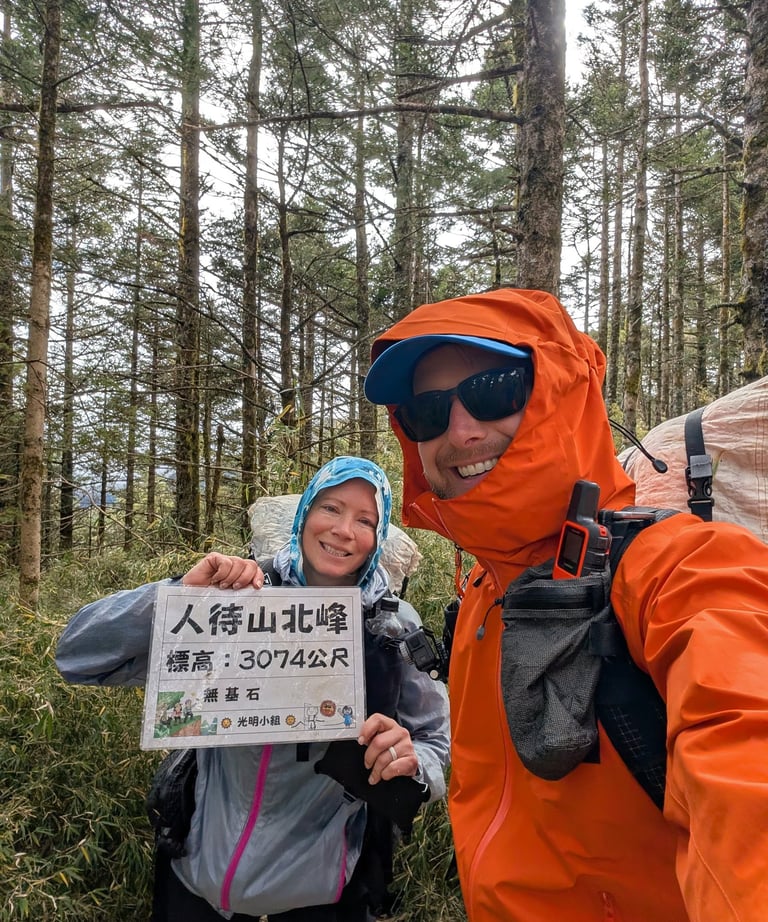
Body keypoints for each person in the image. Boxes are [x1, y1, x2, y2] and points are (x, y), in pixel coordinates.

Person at [363, 287, 768, 922]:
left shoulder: (680, 568)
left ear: (563, 393)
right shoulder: (481, 595)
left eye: (495, 391)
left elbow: (747, 766)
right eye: (427, 412)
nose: (460, 430)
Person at [56, 456, 450, 922]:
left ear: (378, 535)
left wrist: (410, 760)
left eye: (365, 520)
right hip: (195, 874)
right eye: (330, 508)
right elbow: (77, 656)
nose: (344, 530)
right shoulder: (237, 598)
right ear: (305, 513)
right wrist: (179, 597)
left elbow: (435, 741)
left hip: (322, 893)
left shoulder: (394, 626)